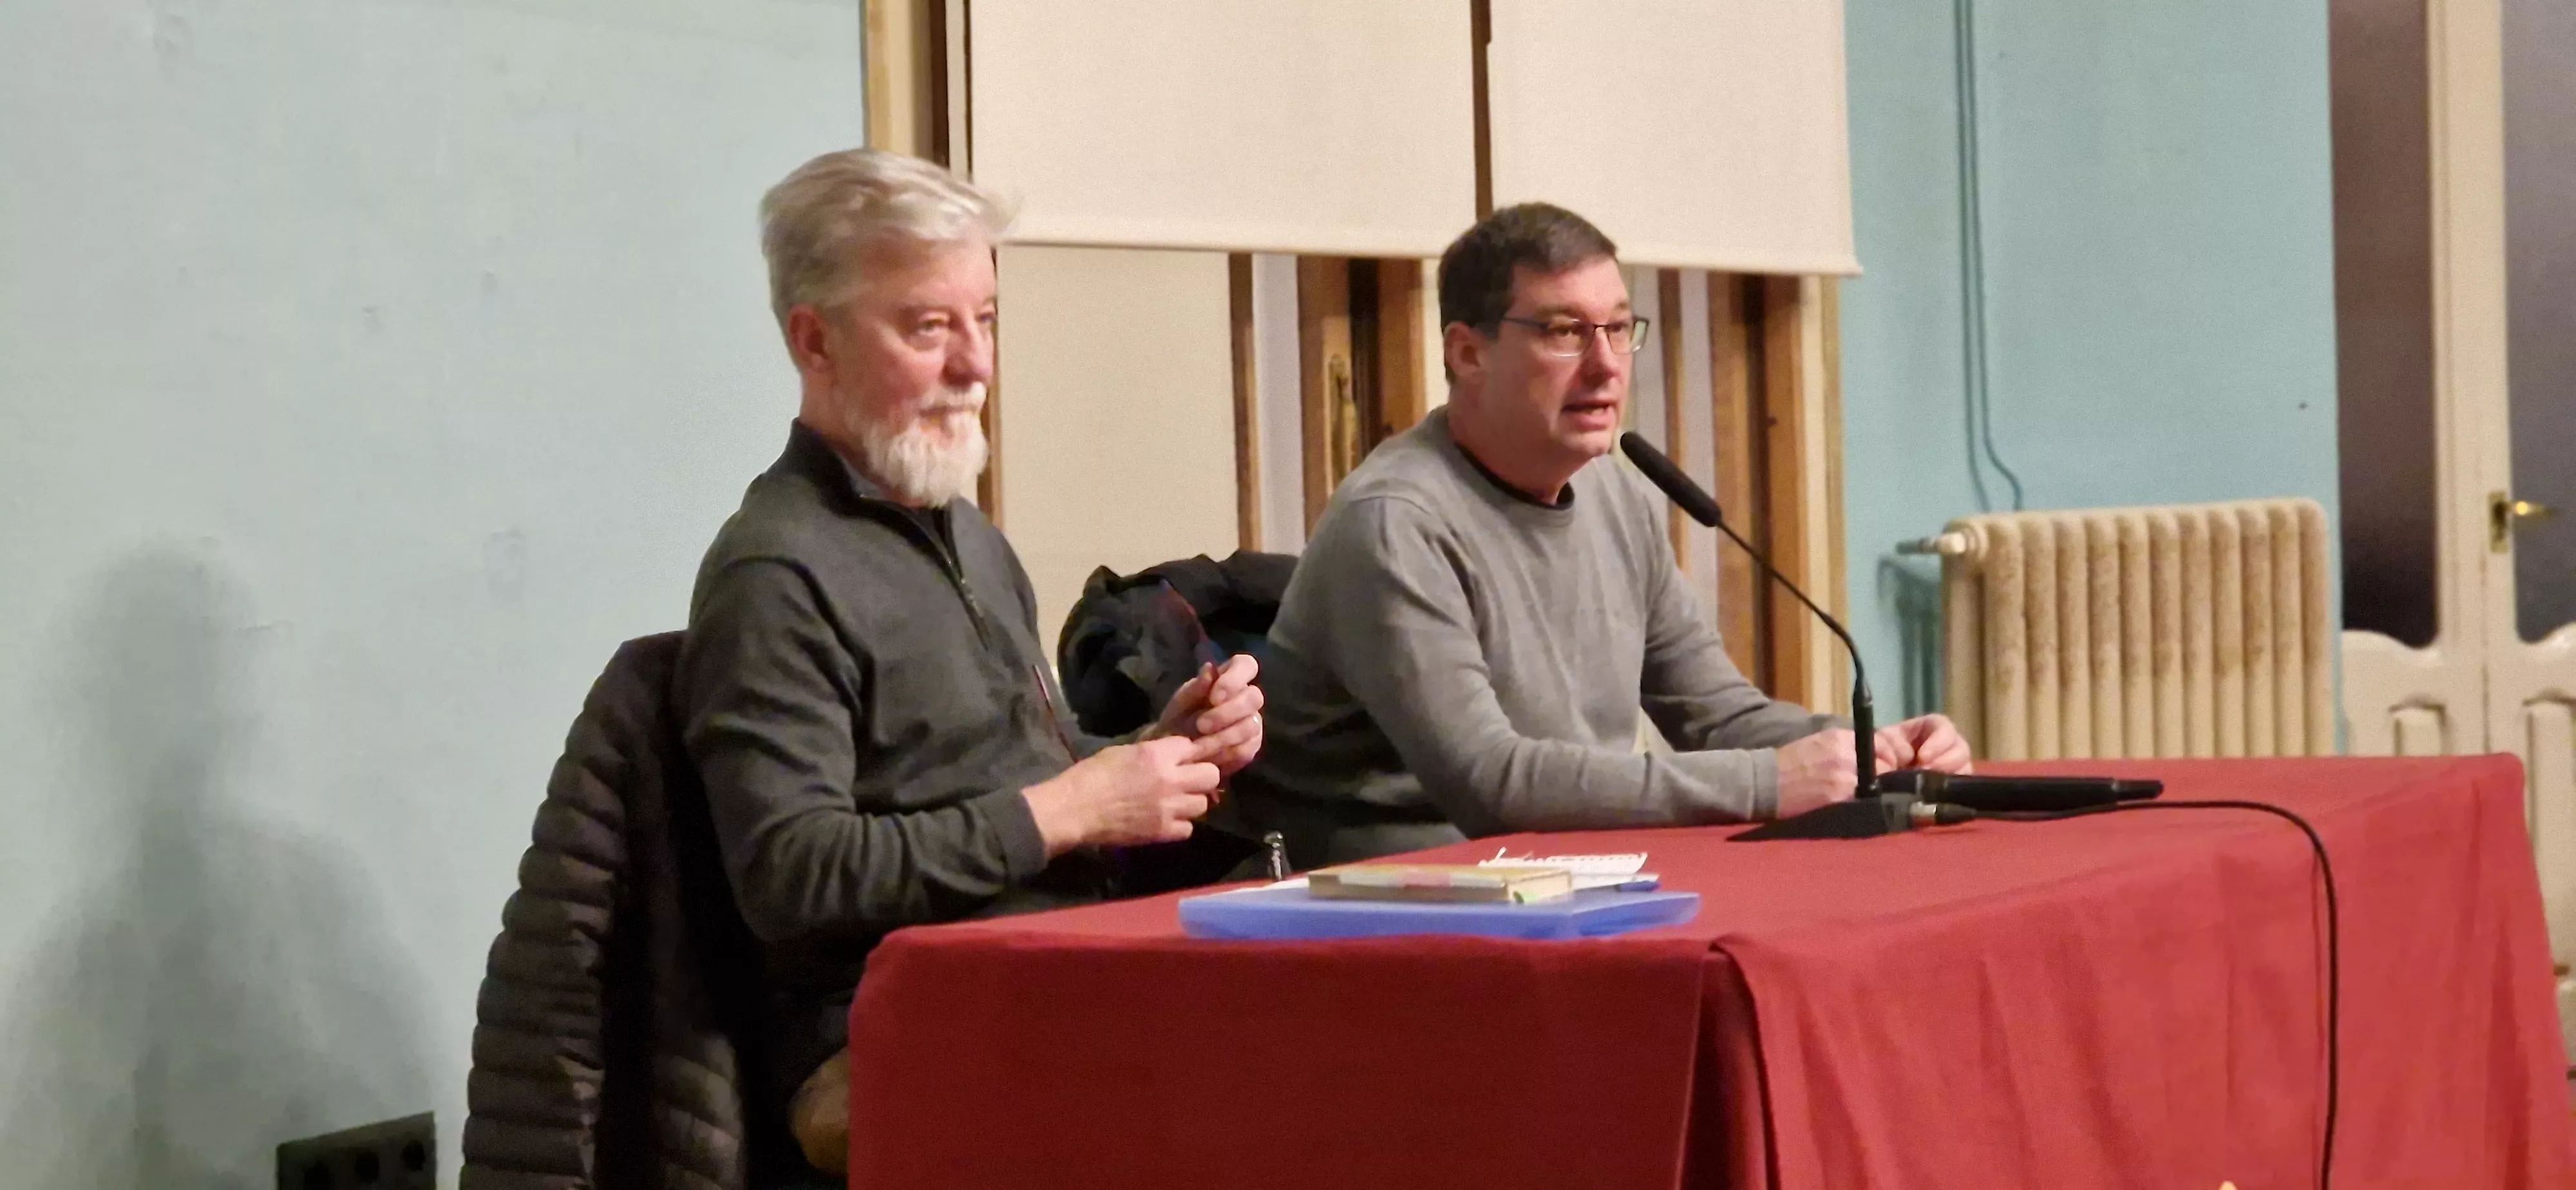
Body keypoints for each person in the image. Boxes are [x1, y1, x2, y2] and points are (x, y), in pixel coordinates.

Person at [672, 148, 1264, 1182]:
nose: (976, 366)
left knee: (1353, 1029)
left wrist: (1159, 753)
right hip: (881, 1032)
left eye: (983, 319)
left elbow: (1019, 773)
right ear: (814, 341)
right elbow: (792, 876)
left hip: (1052, 971)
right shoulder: (775, 573)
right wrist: (1073, 810)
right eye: (929, 326)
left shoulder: (969, 536)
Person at [1235, 202, 1968, 867]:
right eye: (1564, 331)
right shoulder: (1396, 522)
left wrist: (1873, 754)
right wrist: (1771, 782)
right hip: (1391, 900)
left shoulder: (1616, 489)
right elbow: (1492, 784)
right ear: (1467, 353)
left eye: (1618, 327)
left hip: (1568, 874)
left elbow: (1715, 717)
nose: (1607, 363)